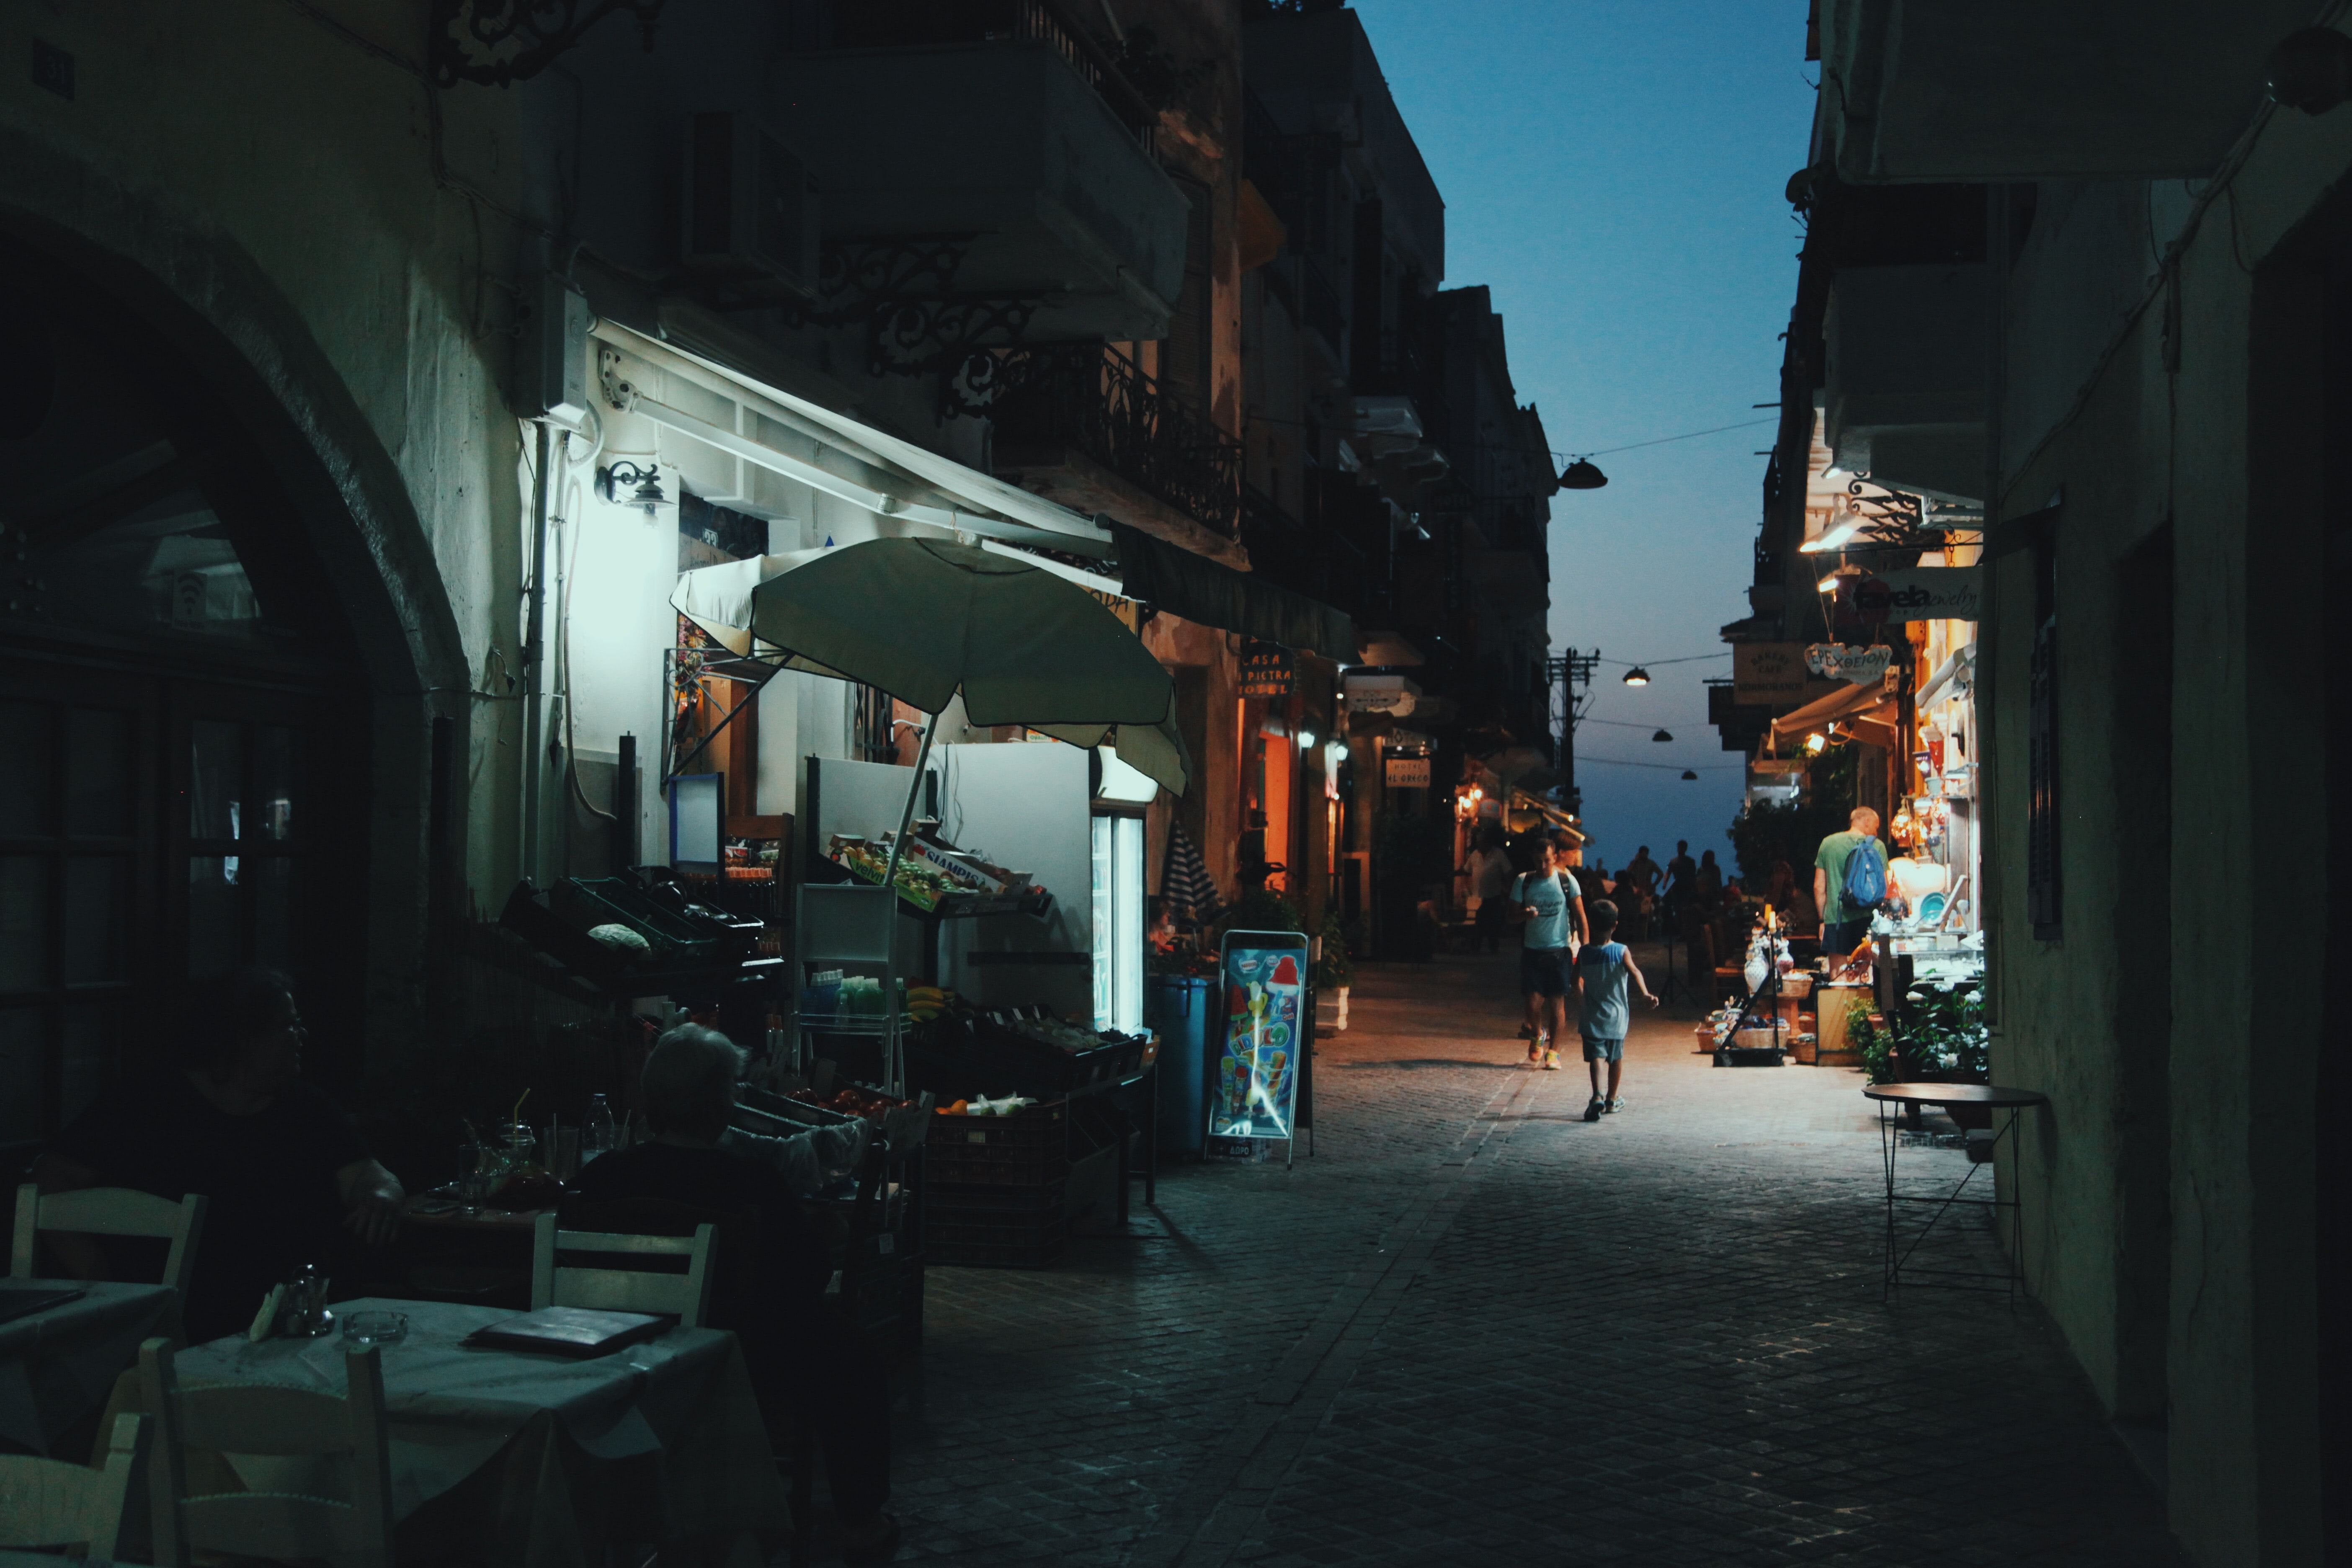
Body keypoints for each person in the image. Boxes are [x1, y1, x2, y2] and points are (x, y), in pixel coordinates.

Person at [573, 1025, 899, 1564]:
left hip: (625, 1348)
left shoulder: (605, 1177)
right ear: (720, 1102)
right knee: (854, 1358)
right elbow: (808, 1273)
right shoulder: (749, 1181)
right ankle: (860, 1522)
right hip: (742, 1356)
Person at [33, 967, 406, 1343]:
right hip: (172, 1318)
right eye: (288, 1027)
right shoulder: (147, 1105)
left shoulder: (306, 1108)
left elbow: (368, 1175)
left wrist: (381, 1196)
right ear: (243, 1038)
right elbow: (54, 1178)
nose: (301, 1037)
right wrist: (97, 1275)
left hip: (289, 1319)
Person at [1573, 899, 1659, 1121]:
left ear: (1591, 925)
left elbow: (1576, 981)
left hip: (1591, 1016)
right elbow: (1635, 972)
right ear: (1615, 925)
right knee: (1615, 1058)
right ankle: (1612, 1099)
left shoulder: (1584, 953)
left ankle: (1597, 1096)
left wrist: (1582, 1000)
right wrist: (1645, 993)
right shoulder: (1621, 951)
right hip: (1616, 1017)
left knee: (1596, 1057)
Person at [1512, 838, 1588, 1069]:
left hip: (1559, 950)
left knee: (1557, 1003)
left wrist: (1586, 950)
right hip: (1532, 950)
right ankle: (1538, 1034)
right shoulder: (1524, 882)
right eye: (1538, 861)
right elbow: (1511, 916)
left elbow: (1581, 917)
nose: (1543, 865)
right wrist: (1524, 914)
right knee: (1532, 1003)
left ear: (1555, 858)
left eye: (1547, 860)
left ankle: (1554, 1051)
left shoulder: (1567, 882)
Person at [1814, 806, 1885, 959]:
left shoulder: (1828, 843)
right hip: (1869, 919)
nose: (1876, 833)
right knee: (1867, 975)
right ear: (1867, 822)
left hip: (1837, 919)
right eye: (1876, 827)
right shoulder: (1878, 846)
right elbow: (1886, 886)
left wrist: (1822, 920)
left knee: (1838, 975)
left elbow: (1819, 887)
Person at [1462, 826, 1515, 954]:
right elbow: (1467, 870)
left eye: (1482, 842)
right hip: (1477, 896)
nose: (1480, 845)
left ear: (1489, 842)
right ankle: (1476, 947)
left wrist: (1507, 888)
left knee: (1492, 923)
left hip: (1493, 896)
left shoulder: (1499, 854)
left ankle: (1493, 946)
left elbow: (1509, 871)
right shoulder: (1475, 855)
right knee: (1477, 923)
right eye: (1478, 842)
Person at [1662, 841, 1698, 915]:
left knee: (1686, 905)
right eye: (1679, 847)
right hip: (1678, 885)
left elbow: (1694, 875)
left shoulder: (1690, 861)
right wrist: (1665, 884)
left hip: (1687, 886)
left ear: (1685, 849)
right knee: (1668, 901)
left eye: (1682, 847)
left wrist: (1695, 886)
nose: (1680, 849)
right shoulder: (1674, 861)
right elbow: (1668, 873)